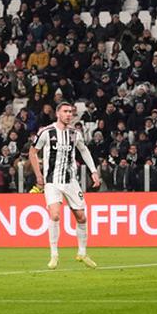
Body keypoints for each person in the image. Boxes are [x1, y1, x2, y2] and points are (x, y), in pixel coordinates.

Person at [28, 101, 100, 269]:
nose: (69, 114)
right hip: (52, 181)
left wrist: (93, 171)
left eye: (71, 112)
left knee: (81, 217)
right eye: (66, 111)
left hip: (71, 181)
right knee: (54, 215)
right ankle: (54, 255)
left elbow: (84, 151)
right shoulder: (46, 132)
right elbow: (33, 152)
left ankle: (82, 253)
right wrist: (39, 175)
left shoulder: (75, 133)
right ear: (58, 113)